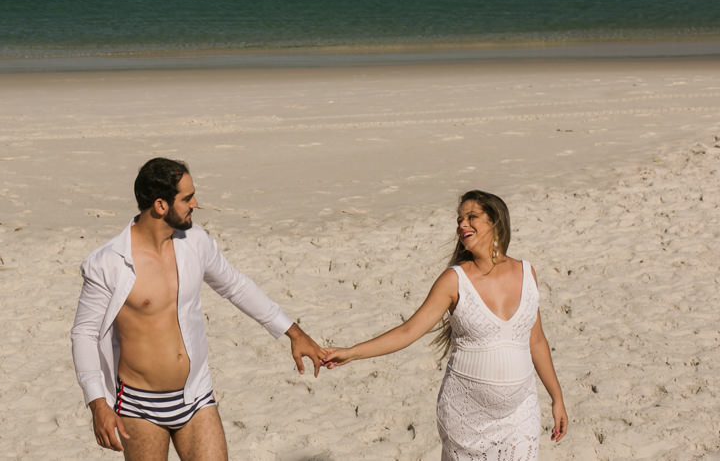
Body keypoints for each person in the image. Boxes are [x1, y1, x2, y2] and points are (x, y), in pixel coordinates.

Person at [71, 157, 326, 460]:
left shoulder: (195, 242)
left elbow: (236, 286)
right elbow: (84, 333)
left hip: (196, 395)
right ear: (161, 205)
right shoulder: (107, 263)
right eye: (187, 198)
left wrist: (293, 332)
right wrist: (97, 403)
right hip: (140, 405)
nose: (195, 203)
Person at [323, 190, 568, 458]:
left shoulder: (526, 272)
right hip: (467, 417)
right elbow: (408, 331)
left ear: (495, 221)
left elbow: (536, 341)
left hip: (520, 411)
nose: (462, 224)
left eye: (471, 216)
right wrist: (352, 352)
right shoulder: (454, 280)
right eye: (459, 219)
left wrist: (557, 398)